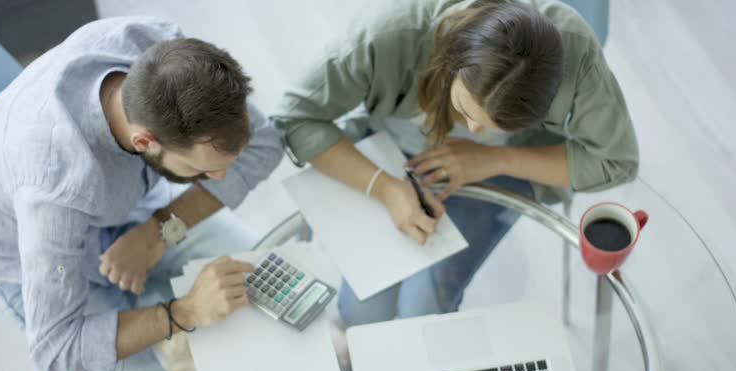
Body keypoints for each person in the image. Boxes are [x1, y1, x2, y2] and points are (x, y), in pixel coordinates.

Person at [0, 17, 283, 371]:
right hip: (25, 251)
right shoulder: (54, 183)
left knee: (260, 272)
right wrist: (185, 311)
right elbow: (57, 346)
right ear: (144, 141)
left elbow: (265, 145)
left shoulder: (166, 55)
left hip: (132, 211)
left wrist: (160, 229)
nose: (221, 178)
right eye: (202, 171)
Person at [271, 0, 638, 327]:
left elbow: (616, 161)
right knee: (364, 315)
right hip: (391, 151)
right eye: (464, 111)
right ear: (450, 56)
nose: (476, 130)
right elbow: (293, 118)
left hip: (501, 169)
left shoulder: (574, 52)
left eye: (497, 126)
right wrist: (384, 187)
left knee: (424, 313)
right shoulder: (387, 34)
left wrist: (495, 157)